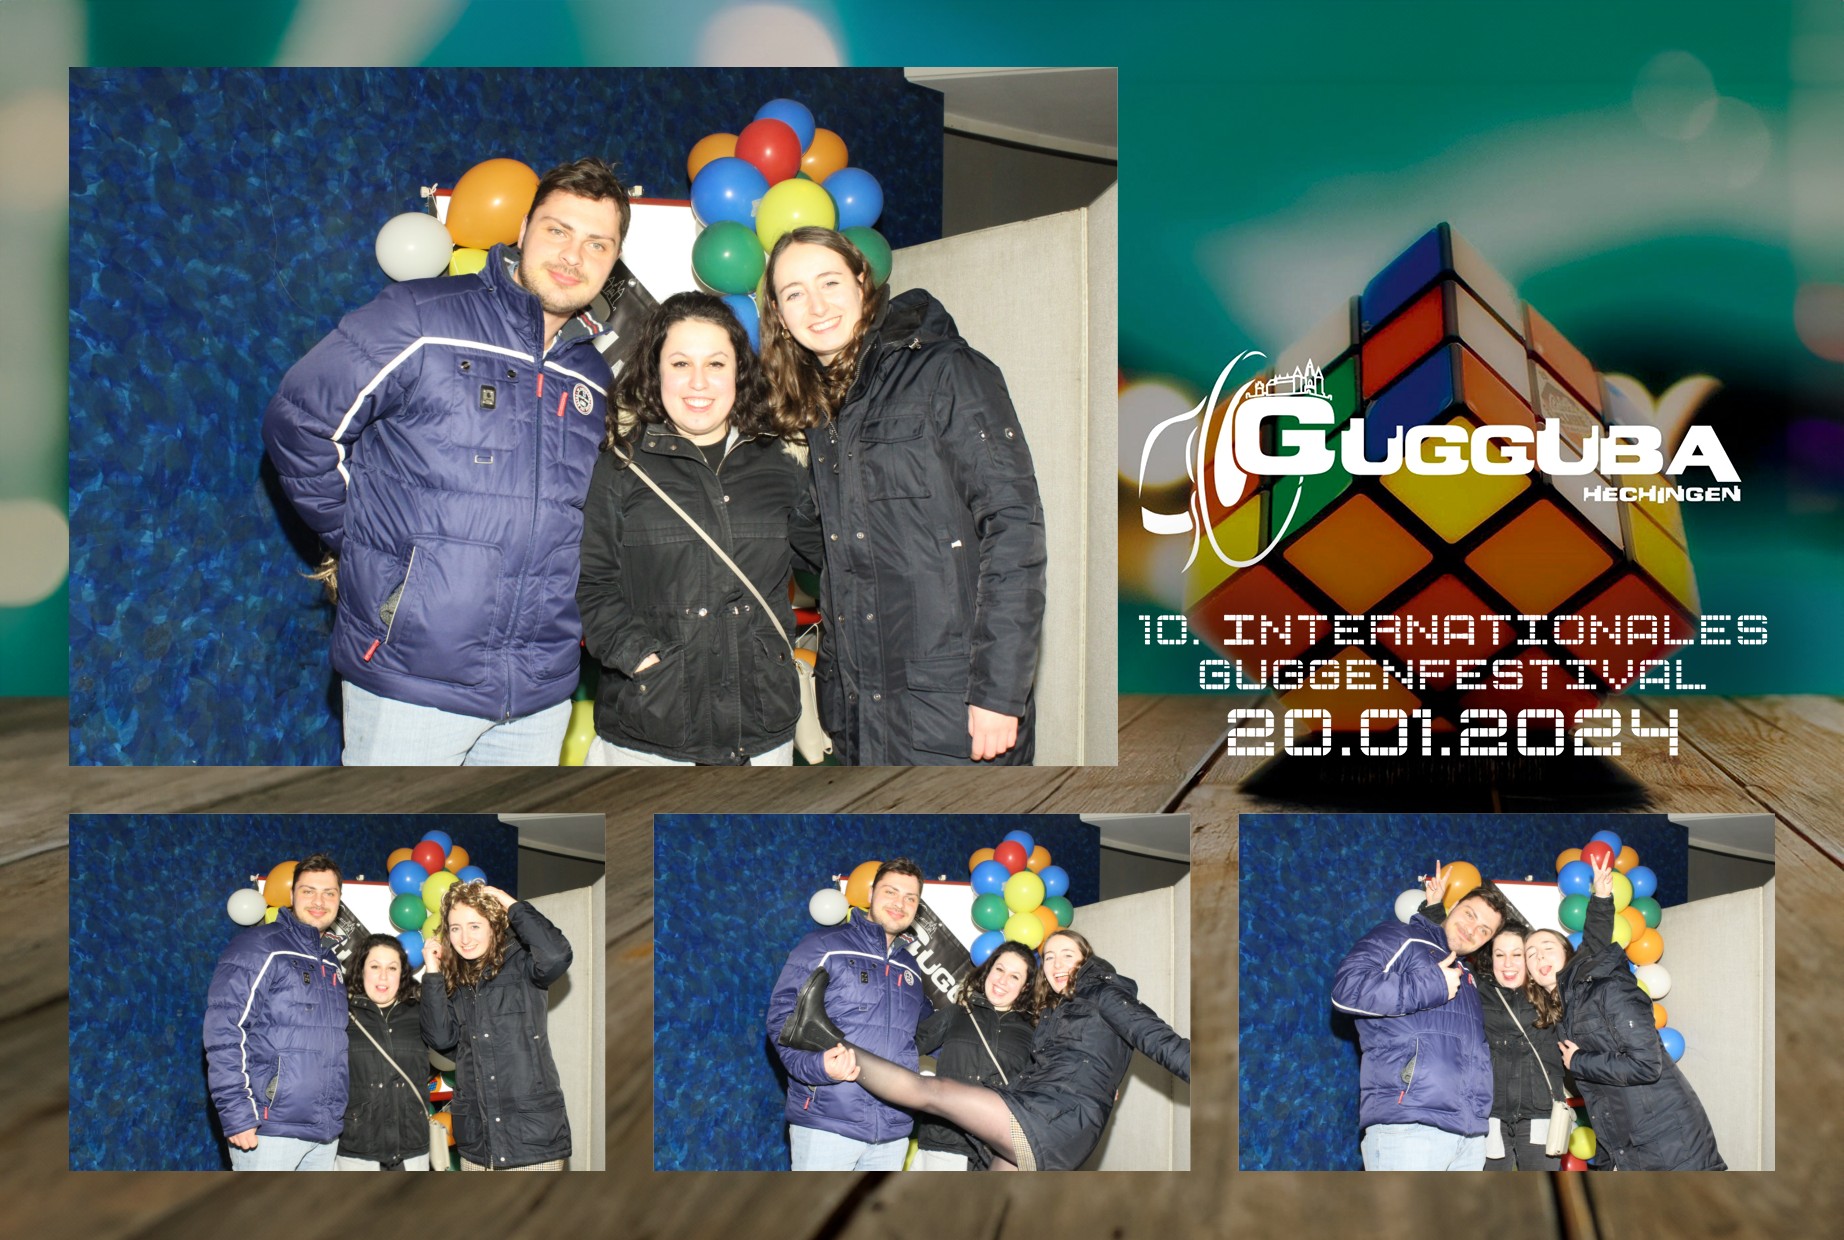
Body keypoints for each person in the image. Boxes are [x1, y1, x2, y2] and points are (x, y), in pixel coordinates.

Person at [263, 157, 631, 765]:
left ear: (614, 261)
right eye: (558, 230)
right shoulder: (420, 315)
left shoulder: (591, 374)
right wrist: (374, 550)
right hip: (411, 680)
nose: (574, 256)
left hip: (539, 694)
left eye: (598, 243)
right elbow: (300, 421)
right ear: (522, 229)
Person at [759, 227, 1046, 765]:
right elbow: (830, 556)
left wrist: (999, 692)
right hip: (857, 709)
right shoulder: (820, 407)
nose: (816, 305)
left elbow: (1013, 527)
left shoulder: (946, 371)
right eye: (794, 292)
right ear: (778, 312)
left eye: (829, 282)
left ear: (862, 281)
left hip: (954, 706)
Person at [576, 292, 822, 765]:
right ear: (656, 371)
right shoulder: (621, 464)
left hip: (762, 728)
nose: (698, 381)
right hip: (651, 729)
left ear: (739, 372)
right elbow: (591, 583)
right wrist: (641, 658)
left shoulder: (781, 462)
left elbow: (835, 558)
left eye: (715, 364)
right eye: (680, 363)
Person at [780, 928, 1189, 1171]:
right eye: (1050, 956)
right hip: (1028, 1120)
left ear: (1086, 959)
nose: (1057, 963)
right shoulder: (1053, 1014)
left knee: (932, 1093)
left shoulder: (1101, 994)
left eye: (1068, 954)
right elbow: (1082, 1060)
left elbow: (1156, 1039)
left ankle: (818, 1032)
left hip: (1055, 1121)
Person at [1330, 872, 1516, 1170]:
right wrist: (1433, 984)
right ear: (1453, 906)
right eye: (1469, 914)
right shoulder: (1400, 936)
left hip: (1469, 1136)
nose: (1472, 930)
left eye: (1484, 930)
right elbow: (1347, 991)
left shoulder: (1468, 975)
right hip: (1409, 1125)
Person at [1556, 856, 1726, 1170]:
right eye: (1531, 954)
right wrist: (1601, 898)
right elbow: (1595, 941)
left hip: (1672, 1143)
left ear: (1568, 955)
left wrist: (1579, 1061)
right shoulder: (1573, 997)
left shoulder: (1611, 986)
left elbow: (1645, 1065)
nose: (1539, 957)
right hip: (1633, 1144)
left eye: (1546, 948)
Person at [764, 858, 933, 1170]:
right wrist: (818, 1067)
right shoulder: (823, 945)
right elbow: (782, 1019)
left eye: (910, 898)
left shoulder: (911, 968)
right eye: (891, 892)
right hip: (827, 1124)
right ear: (870, 894)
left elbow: (925, 1033)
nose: (900, 904)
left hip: (893, 1133)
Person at [203, 854, 349, 1170]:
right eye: (309, 891)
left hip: (324, 1132)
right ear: (292, 895)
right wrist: (237, 1113)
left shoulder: (331, 962)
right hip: (268, 1129)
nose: (319, 901)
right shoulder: (259, 946)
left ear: (339, 900)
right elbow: (225, 1029)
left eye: (329, 893)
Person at [421, 882, 574, 1171]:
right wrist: (432, 971)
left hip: (532, 1141)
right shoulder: (454, 980)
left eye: (474, 926)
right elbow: (440, 1039)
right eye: (455, 928)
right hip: (478, 1144)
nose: (465, 938)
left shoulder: (522, 962)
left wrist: (511, 904)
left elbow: (556, 956)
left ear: (493, 926)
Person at [910, 941, 1039, 1170]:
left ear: (1025, 987)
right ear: (988, 970)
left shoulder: (1032, 1033)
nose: (1002, 981)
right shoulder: (958, 1013)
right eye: (999, 969)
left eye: (1014, 976)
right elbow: (905, 1047)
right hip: (945, 1142)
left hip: (996, 1153)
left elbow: (1040, 1089)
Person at [335, 933, 432, 1171]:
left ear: (402, 973)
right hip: (357, 1149)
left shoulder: (421, 1011)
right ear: (361, 969)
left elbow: (448, 1044)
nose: (383, 976)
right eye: (375, 966)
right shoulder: (340, 1012)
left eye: (392, 968)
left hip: (412, 1147)